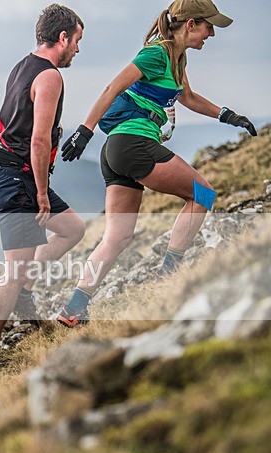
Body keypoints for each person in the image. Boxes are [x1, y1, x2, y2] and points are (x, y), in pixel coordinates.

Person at [57, 0, 257, 327]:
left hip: (117, 152)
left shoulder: (178, 58)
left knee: (117, 237)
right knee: (202, 194)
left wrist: (227, 115)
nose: (211, 34)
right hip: (133, 144)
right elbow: (113, 88)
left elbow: (187, 98)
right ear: (190, 24)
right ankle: (168, 274)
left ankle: (73, 308)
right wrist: (84, 131)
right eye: (208, 26)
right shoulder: (156, 53)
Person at [0, 4, 87, 351]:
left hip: (12, 175)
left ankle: (25, 288)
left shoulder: (21, 67)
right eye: (76, 40)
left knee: (72, 228)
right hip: (17, 179)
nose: (77, 49)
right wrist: (42, 193)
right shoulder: (50, 75)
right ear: (62, 37)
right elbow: (40, 139)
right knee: (13, 269)